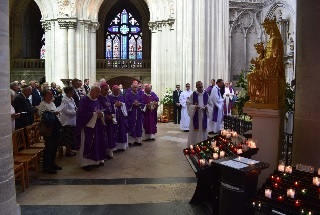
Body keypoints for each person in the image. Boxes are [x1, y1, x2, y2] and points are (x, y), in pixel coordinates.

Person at [76, 86, 107, 171]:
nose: (98, 94)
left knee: (97, 142)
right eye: (97, 92)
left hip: (97, 125)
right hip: (87, 127)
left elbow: (100, 110)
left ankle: (97, 160)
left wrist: (101, 114)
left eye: (99, 92)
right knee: (87, 143)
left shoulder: (97, 100)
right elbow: (81, 114)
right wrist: (95, 115)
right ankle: (86, 163)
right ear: (92, 91)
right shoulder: (84, 100)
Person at [38, 89, 62, 174]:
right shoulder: (42, 105)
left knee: (55, 146)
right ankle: (46, 166)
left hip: (55, 127)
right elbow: (44, 117)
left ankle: (52, 163)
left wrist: (57, 113)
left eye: (51, 94)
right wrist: (53, 114)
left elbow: (54, 113)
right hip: (48, 128)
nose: (51, 96)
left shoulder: (52, 103)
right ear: (44, 96)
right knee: (49, 147)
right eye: (49, 95)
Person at [186, 81, 212, 146]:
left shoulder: (206, 94)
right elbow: (188, 104)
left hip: (203, 115)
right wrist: (194, 107)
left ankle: (203, 145)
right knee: (195, 131)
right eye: (199, 85)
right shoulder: (193, 94)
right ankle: (194, 144)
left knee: (203, 131)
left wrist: (207, 107)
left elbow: (210, 104)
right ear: (196, 86)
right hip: (196, 115)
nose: (200, 86)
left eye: (201, 85)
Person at [98, 83, 116, 158]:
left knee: (110, 135)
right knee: (104, 136)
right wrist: (105, 116)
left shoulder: (108, 97)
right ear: (101, 89)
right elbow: (98, 108)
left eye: (108, 89)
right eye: (105, 90)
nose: (107, 91)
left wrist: (112, 115)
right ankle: (103, 152)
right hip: (102, 121)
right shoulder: (98, 98)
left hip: (110, 121)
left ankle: (110, 151)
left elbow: (112, 107)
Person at [108, 85, 129, 150]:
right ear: (112, 90)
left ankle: (122, 146)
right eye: (116, 91)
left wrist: (122, 104)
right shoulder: (109, 97)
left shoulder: (121, 97)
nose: (117, 92)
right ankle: (114, 147)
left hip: (121, 117)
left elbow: (126, 104)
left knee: (122, 130)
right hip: (114, 117)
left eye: (118, 91)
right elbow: (108, 107)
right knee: (114, 130)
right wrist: (115, 105)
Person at [59, 86, 77, 157]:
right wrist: (75, 112)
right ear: (68, 92)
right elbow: (65, 111)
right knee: (67, 137)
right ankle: (68, 151)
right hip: (66, 120)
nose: (73, 93)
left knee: (71, 136)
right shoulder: (64, 100)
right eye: (72, 92)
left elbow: (74, 107)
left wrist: (76, 110)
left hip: (72, 120)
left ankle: (70, 150)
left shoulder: (71, 99)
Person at [126, 82, 145, 146]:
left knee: (138, 126)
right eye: (134, 87)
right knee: (131, 126)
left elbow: (143, 103)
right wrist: (132, 104)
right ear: (131, 87)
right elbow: (126, 103)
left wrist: (139, 104)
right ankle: (131, 141)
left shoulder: (140, 95)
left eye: (136, 87)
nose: (135, 88)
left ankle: (138, 141)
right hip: (132, 114)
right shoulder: (128, 95)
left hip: (139, 113)